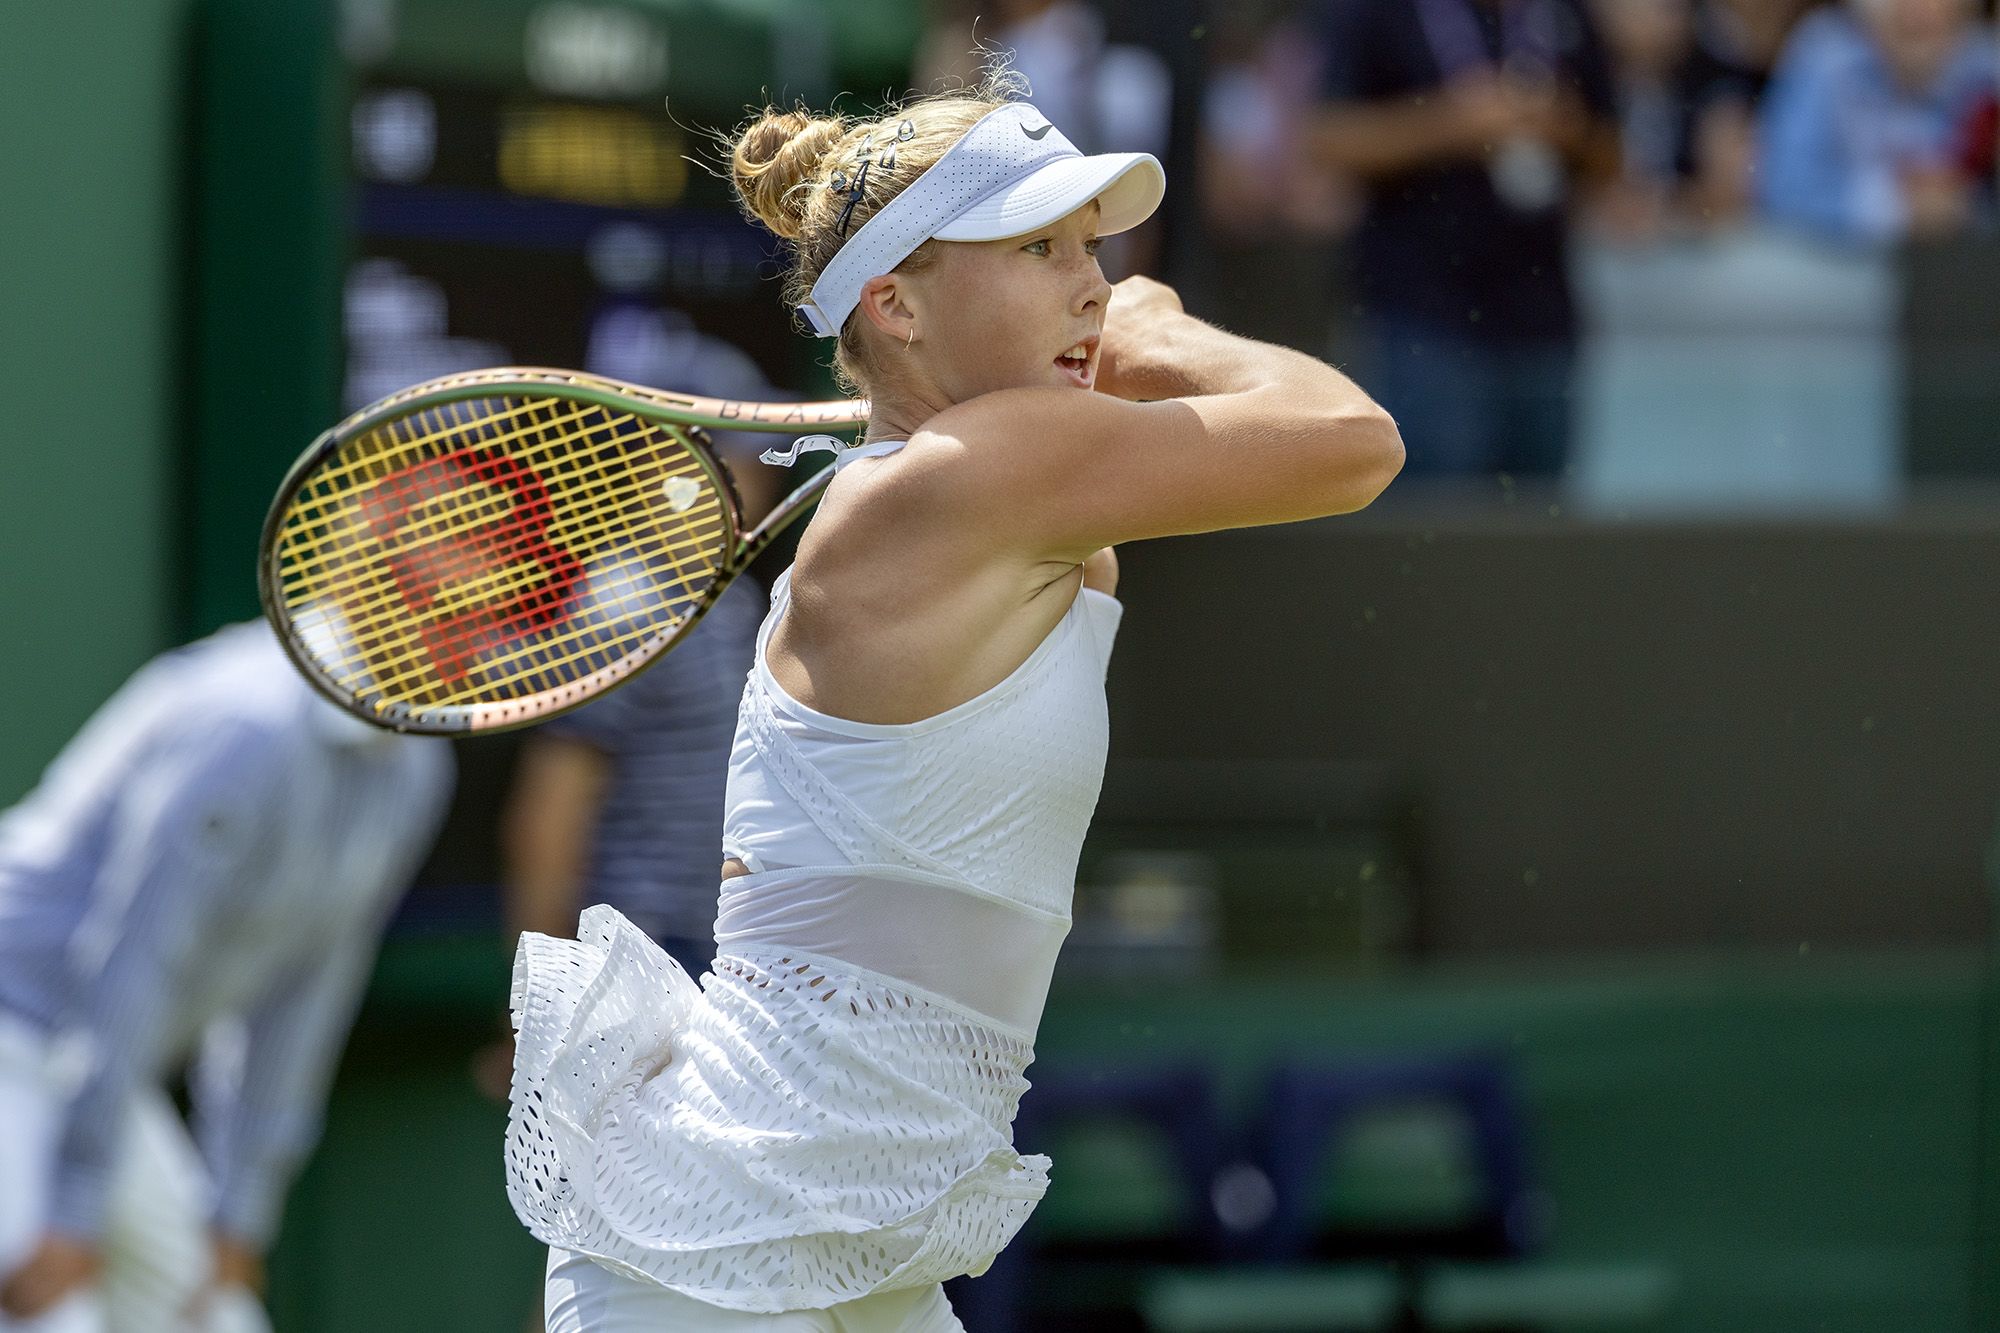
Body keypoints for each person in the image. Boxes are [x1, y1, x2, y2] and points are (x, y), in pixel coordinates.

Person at [503, 70, 1403, 1331]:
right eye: (1037, 247)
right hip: (708, 1252)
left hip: (848, 1250)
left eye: (1092, 248)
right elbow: (1351, 438)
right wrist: (1159, 339)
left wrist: (1100, 357)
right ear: (896, 308)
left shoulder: (994, 485)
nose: (1090, 281)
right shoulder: (970, 482)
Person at [0, 622, 452, 1332]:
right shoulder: (247, 725)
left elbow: (307, 994)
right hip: (18, 1028)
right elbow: (130, 957)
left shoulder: (417, 771)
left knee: (222, 1320)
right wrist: (70, 1211)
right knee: (52, 1313)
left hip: (86, 1062)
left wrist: (237, 1214)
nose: (489, 623)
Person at [1309, 0, 1622, 478]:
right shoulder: (1376, 13)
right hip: (1422, 312)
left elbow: (1613, 156)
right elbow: (1327, 137)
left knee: (1539, 527)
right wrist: (1452, 123)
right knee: (1434, 522)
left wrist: (1562, 130)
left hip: (1541, 316)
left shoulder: (1566, 14)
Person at [1757, 0, 1998, 245]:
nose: (1921, 11)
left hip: (1961, 257)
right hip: (1846, 257)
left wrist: (1965, 199)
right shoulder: (1824, 54)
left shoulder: (1987, 64)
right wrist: (1895, 205)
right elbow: (1781, 188)